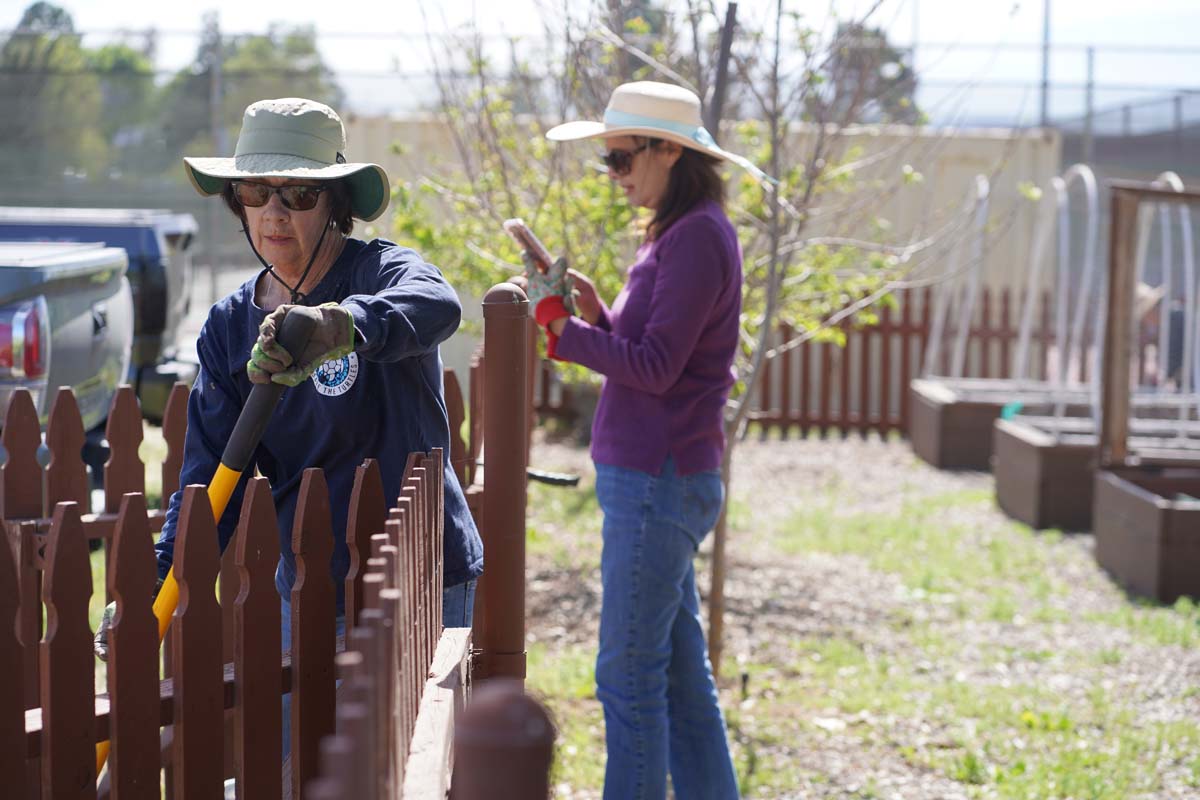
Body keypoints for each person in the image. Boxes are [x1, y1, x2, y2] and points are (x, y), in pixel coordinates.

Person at [94, 97, 482, 719]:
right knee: (306, 767)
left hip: (422, 575)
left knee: (417, 764)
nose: (274, 213)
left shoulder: (382, 273)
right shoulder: (227, 328)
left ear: (334, 204)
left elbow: (437, 305)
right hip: (309, 586)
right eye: (256, 192)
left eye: (298, 194)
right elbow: (208, 478)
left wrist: (340, 325)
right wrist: (156, 579)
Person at [526, 81, 766, 800]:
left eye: (623, 157)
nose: (615, 173)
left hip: (658, 480)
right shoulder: (685, 230)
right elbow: (658, 348)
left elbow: (657, 368)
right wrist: (594, 313)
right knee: (679, 683)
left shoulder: (695, 237)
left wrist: (563, 332)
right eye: (608, 160)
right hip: (661, 476)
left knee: (627, 679)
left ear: (671, 151)